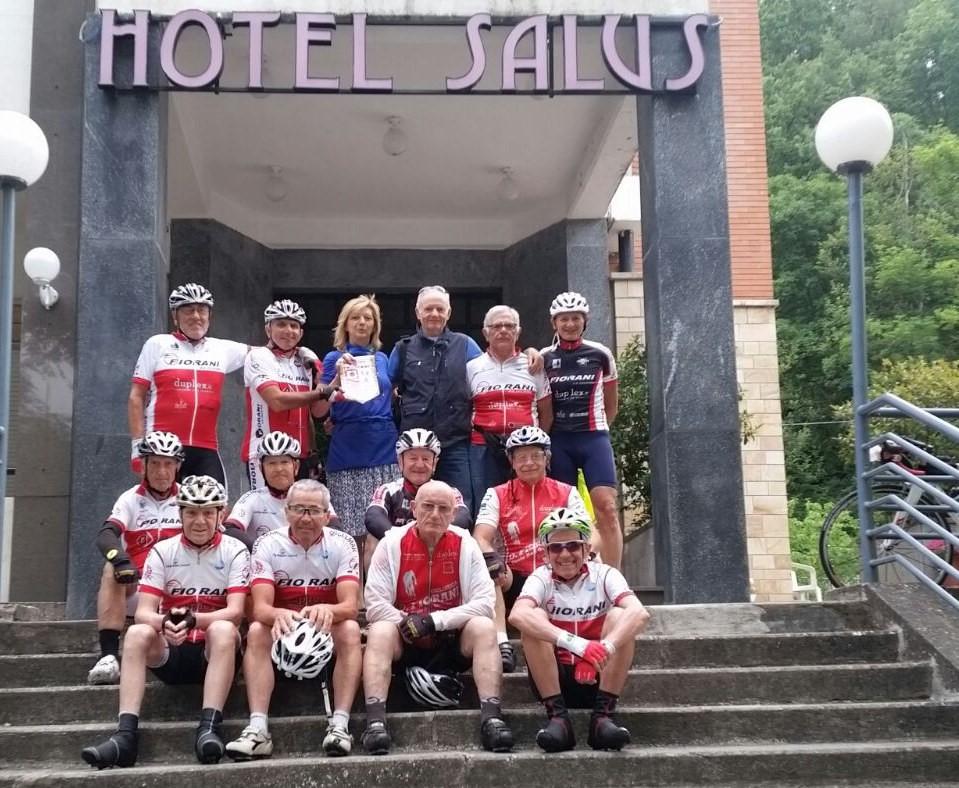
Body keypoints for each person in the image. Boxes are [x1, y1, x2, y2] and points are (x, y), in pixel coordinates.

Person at [81, 475, 250, 769]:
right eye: (192, 513)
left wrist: (195, 620)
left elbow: (236, 612)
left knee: (224, 629)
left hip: (213, 654)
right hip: (172, 649)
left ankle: (209, 728)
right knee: (136, 632)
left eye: (208, 513)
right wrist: (163, 623)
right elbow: (145, 611)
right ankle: (125, 737)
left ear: (220, 515)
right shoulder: (163, 550)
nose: (200, 521)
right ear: (180, 514)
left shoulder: (235, 551)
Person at [361, 480, 513, 756]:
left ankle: (492, 716)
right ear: (413, 508)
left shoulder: (466, 545)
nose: (434, 514)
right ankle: (375, 722)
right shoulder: (392, 543)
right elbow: (374, 603)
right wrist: (405, 619)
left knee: (484, 626)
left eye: (443, 508)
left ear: (454, 514)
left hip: (451, 637)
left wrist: (434, 621)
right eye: (427, 506)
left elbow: (484, 603)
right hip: (405, 637)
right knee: (380, 631)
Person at [226, 480, 362, 760]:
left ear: (327, 515)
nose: (306, 518)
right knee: (255, 631)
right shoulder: (267, 543)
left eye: (314, 510)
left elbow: (350, 606)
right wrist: (280, 614)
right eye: (299, 509)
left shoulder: (343, 543)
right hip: (283, 627)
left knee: (349, 629)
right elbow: (260, 608)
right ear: (286, 512)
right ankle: (257, 728)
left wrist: (329, 609)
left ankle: (340, 724)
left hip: (325, 627)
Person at [509, 508, 649, 753]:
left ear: (586, 549)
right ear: (545, 553)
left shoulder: (606, 574)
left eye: (573, 545)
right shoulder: (540, 577)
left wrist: (602, 650)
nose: (564, 554)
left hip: (599, 674)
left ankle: (603, 718)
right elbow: (517, 615)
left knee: (620, 615)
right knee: (533, 617)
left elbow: (639, 613)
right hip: (557, 678)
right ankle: (558, 719)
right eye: (555, 547)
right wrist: (579, 645)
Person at [473, 426, 588, 673]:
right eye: (521, 457)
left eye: (535, 455)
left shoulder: (567, 491)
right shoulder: (497, 494)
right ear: (511, 462)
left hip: (556, 573)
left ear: (547, 459)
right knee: (488, 570)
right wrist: (492, 558)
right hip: (515, 575)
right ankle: (502, 643)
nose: (528, 463)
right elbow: (480, 537)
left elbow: (590, 534)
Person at [87, 431, 184, 685]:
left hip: (180, 590)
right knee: (111, 568)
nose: (161, 471)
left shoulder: (187, 497)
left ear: (177, 466)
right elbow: (106, 534)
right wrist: (119, 559)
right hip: (140, 588)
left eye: (168, 464)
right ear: (143, 466)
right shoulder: (131, 499)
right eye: (155, 464)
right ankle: (108, 657)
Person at [129, 283, 248, 484]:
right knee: (162, 512)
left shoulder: (221, 349)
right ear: (175, 316)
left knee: (214, 509)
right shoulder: (158, 344)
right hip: (161, 448)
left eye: (202, 310)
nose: (196, 316)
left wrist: (304, 355)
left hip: (206, 448)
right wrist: (137, 446)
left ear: (209, 315)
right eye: (188, 310)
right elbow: (136, 396)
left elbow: (266, 353)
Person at [542, 291, 623, 569]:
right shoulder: (544, 357)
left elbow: (612, 404)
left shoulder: (601, 353)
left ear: (584, 321)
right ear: (554, 323)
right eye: (563, 319)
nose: (570, 324)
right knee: (562, 515)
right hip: (559, 441)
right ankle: (568, 574)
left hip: (593, 437)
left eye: (575, 318)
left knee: (607, 508)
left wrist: (600, 429)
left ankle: (615, 579)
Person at [316, 295, 399, 568]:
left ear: (375, 325)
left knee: (382, 528)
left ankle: (377, 594)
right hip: (348, 445)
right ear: (346, 324)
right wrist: (337, 377)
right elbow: (318, 408)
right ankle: (355, 598)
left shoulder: (383, 358)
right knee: (351, 531)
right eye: (356, 317)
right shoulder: (332, 358)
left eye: (368, 317)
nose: (362, 322)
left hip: (384, 444)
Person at [388, 285, 483, 512]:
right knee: (411, 508)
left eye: (440, 309)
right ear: (418, 312)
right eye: (428, 309)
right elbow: (386, 388)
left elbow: (486, 379)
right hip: (415, 448)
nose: (434, 314)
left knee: (460, 507)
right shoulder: (403, 349)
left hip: (455, 444)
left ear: (448, 313)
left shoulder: (466, 345)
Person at [242, 299, 338, 490]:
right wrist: (321, 393)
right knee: (266, 515)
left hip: (299, 455)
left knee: (299, 514)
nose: (288, 330)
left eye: (294, 326)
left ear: (301, 332)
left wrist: (312, 451)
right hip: (265, 453)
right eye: (281, 324)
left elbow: (311, 414)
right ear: (268, 329)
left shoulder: (305, 361)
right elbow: (277, 401)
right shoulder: (259, 356)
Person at [467, 304, 552, 508]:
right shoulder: (471, 367)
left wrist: (536, 440)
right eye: (496, 326)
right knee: (486, 506)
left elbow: (546, 412)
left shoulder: (534, 365)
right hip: (483, 446)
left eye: (509, 325)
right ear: (486, 333)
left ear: (518, 332)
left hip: (525, 447)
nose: (503, 330)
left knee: (527, 504)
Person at [364, 428, 471, 568]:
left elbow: (463, 517)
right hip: (399, 551)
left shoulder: (449, 491)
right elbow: (373, 516)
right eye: (413, 458)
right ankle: (377, 589)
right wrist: (405, 541)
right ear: (400, 462)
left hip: (437, 548)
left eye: (426, 459)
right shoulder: (388, 490)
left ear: (435, 464)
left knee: (467, 539)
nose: (420, 465)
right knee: (372, 541)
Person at [224, 431, 341, 550]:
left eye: (284, 462)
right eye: (272, 463)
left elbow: (335, 529)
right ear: (261, 468)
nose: (279, 469)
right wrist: (259, 551)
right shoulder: (251, 498)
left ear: (296, 467)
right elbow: (230, 530)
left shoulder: (313, 495)